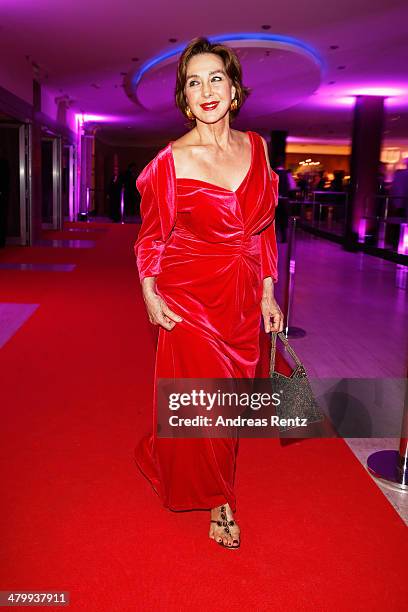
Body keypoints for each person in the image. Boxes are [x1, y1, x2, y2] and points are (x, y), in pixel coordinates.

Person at [133, 37, 284, 549]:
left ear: (235, 89)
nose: (206, 89)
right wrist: (150, 291)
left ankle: (177, 456)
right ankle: (222, 503)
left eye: (215, 77)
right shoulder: (170, 162)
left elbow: (263, 227)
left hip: (241, 298)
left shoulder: (258, 148)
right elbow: (151, 236)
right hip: (191, 297)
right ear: (185, 98)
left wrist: (267, 291)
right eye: (193, 82)